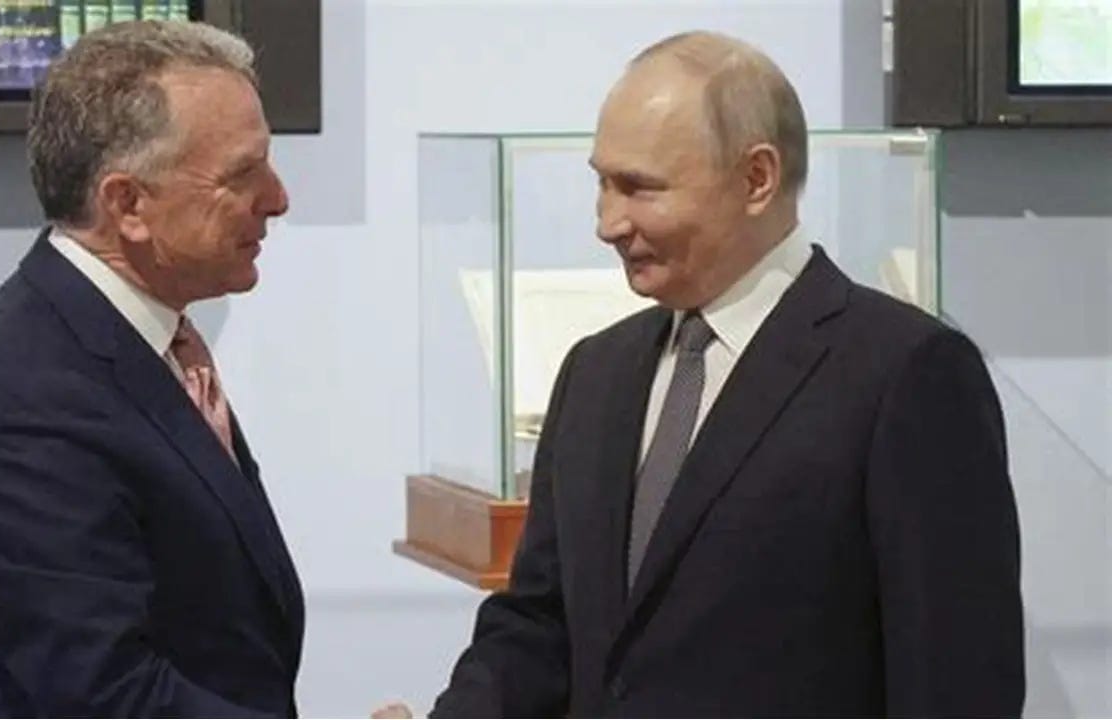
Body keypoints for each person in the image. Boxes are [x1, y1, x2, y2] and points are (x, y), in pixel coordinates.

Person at [421, 31, 1025, 717]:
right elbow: (539, 627)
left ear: (756, 179)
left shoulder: (906, 375)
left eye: (639, 188)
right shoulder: (595, 374)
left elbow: (957, 684)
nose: (608, 223)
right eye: (601, 183)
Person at [0, 20, 302, 717]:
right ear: (128, 204)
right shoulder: (31, 403)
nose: (277, 199)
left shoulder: (134, 340)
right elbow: (105, 695)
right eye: (242, 175)